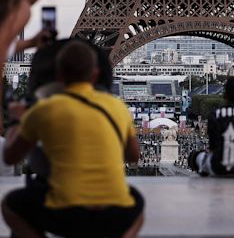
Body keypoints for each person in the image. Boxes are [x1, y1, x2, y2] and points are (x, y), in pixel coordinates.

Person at [1, 41, 144, 237]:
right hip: (113, 213)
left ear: (59, 75)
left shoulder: (44, 109)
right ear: (95, 75)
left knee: (10, 205)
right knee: (137, 205)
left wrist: (17, 120)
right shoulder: (117, 106)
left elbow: (10, 157)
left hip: (65, 214)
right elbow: (134, 156)